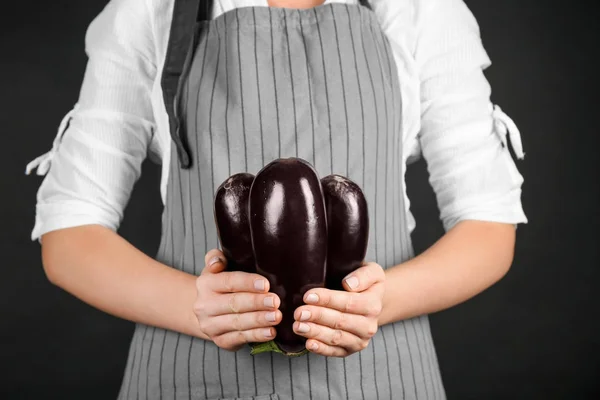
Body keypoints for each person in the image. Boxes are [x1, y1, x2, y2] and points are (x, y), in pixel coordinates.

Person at [25, 0, 527, 399]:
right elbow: (70, 233)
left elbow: (487, 224)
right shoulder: (148, 11)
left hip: (381, 379)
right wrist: (194, 307)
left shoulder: (422, 10)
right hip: (189, 379)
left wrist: (379, 302)